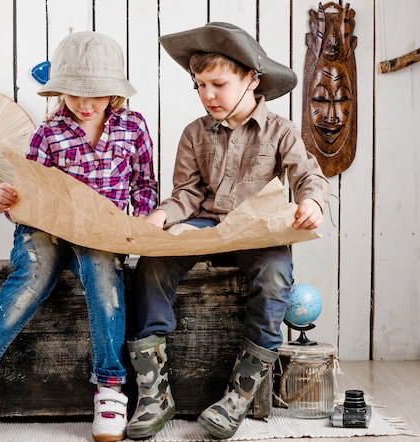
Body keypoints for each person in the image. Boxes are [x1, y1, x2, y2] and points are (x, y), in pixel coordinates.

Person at [0, 31, 158, 442]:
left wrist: (142, 222)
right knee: (35, 272)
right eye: (75, 93)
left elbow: (144, 185)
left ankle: (110, 387)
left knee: (104, 273)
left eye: (97, 93)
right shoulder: (49, 132)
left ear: (115, 92)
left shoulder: (133, 127)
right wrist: (8, 198)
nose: (86, 103)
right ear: (60, 90)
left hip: (102, 230)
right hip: (46, 227)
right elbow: (27, 195)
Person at [125, 22, 330, 440]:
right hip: (205, 224)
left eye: (217, 84)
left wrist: (311, 202)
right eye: (199, 86)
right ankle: (153, 392)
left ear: (252, 80)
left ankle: (239, 394)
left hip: (256, 231)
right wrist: (161, 218)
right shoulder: (195, 133)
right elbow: (187, 193)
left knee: (275, 276)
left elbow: (309, 176)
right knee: (153, 263)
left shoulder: (281, 131)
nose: (208, 96)